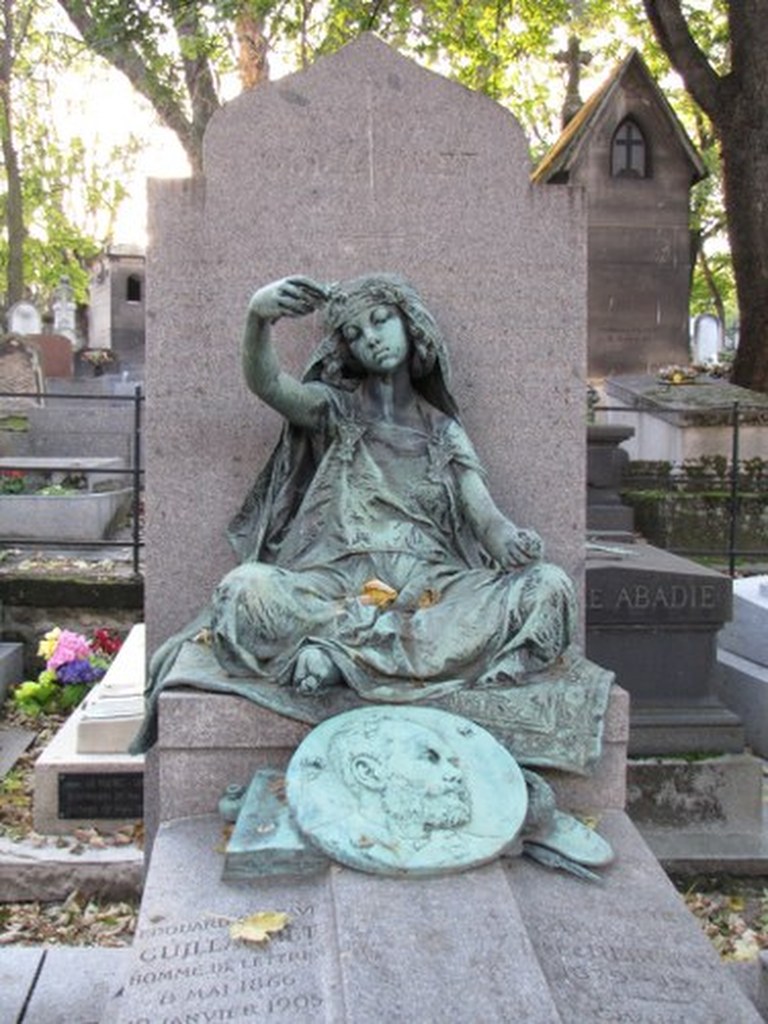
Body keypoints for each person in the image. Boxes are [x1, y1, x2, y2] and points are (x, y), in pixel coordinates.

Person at [209, 273, 577, 703]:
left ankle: (338, 656)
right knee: (242, 591)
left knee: (548, 588)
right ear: (347, 350)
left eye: (381, 320)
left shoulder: (443, 431)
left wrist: (511, 541)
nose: (371, 338)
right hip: (335, 585)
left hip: (428, 589)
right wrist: (258, 316)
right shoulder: (334, 408)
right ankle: (385, 655)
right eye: (354, 334)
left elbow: (486, 520)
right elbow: (268, 384)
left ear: (410, 323)